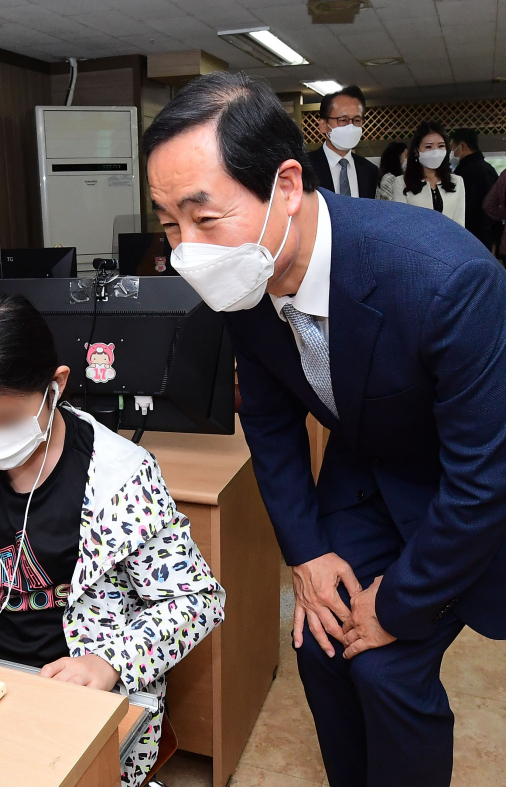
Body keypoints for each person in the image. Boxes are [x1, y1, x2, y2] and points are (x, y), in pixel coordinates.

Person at [144, 71, 506, 787]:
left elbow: (482, 476)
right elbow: (272, 426)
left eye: (202, 217)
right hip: (365, 472)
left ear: (285, 185)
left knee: (383, 664)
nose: (187, 251)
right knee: (317, 638)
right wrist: (305, 554)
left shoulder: (443, 279)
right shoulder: (243, 277)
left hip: (461, 492)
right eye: (166, 224)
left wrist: (396, 604)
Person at [0, 293, 225, 787]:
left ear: (56, 385)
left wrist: (109, 662)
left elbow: (196, 601)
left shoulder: (120, 479)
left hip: (78, 700)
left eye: (7, 420)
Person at [307, 85, 379, 199]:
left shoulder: (369, 171)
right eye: (343, 120)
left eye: (356, 120)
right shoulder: (304, 167)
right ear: (323, 125)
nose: (350, 126)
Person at [391, 121, 466, 227]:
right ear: (416, 151)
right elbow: (401, 224)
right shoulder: (402, 183)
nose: (435, 152)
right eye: (428, 147)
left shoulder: (456, 181)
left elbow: (460, 223)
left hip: (449, 242)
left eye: (441, 146)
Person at [450, 128, 500, 249]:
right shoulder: (488, 168)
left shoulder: (465, 172)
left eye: (453, 148)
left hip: (471, 236)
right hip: (487, 236)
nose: (452, 153)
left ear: (462, 146)